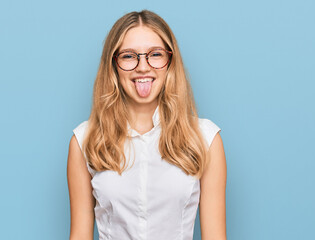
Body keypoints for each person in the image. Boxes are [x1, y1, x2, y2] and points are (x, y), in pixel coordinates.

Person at [67, 9, 227, 240]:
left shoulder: (205, 138)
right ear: (114, 65)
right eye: (129, 56)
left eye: (155, 54)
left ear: (170, 61)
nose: (143, 66)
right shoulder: (84, 141)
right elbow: (80, 234)